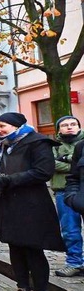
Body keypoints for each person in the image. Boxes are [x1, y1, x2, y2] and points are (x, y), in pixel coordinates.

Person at [0, 112, 64, 291]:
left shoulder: (37, 142)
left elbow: (43, 171)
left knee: (32, 250)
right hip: (8, 203)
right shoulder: (1, 146)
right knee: (15, 248)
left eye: (3, 126)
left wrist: (8, 180)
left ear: (17, 125)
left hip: (31, 205)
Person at [51, 116, 84, 277]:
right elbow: (51, 164)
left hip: (82, 189)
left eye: (73, 124)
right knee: (70, 230)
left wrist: (64, 160)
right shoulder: (54, 146)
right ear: (59, 129)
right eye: (64, 125)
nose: (69, 127)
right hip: (63, 191)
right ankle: (75, 262)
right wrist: (75, 164)